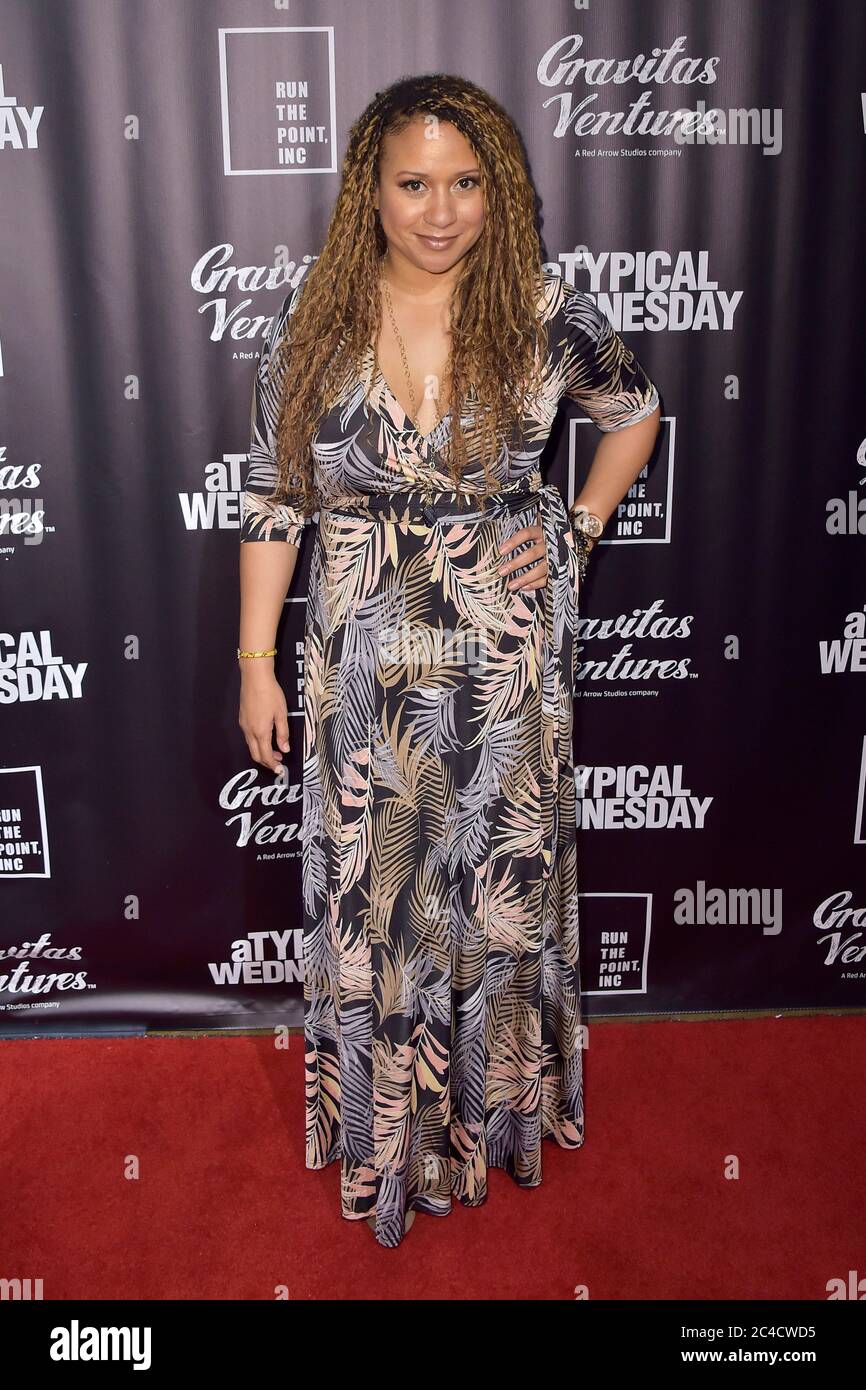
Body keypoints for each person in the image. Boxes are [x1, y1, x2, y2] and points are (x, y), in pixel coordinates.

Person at [238, 73, 660, 1249]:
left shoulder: (541, 305)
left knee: (491, 887)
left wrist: (571, 529)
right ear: (368, 190)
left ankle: (489, 1115)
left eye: (465, 183)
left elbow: (632, 410)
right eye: (413, 184)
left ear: (499, 190)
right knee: (380, 896)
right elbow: (277, 499)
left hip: (501, 651)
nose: (439, 210)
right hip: (363, 652)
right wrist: (252, 662)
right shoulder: (316, 318)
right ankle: (390, 1132)